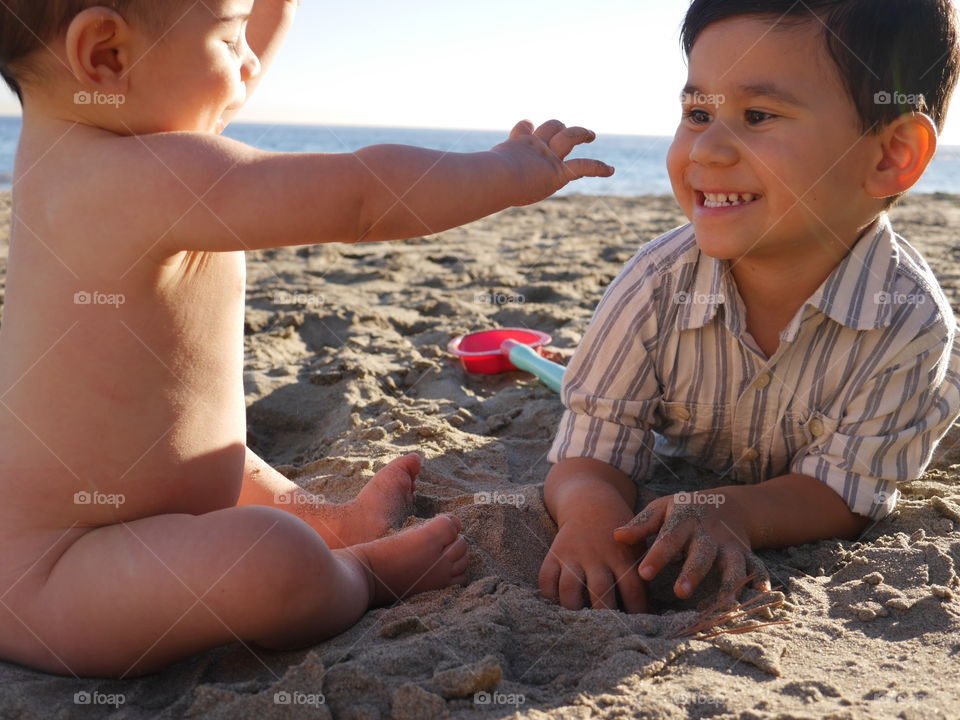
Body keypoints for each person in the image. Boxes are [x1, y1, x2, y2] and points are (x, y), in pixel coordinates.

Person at [0, 0, 614, 677]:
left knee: (229, 458)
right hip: (58, 577)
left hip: (139, 512)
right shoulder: (135, 179)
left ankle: (333, 521)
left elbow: (205, 87)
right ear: (106, 56)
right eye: (231, 36)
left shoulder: (98, 145)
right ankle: (358, 574)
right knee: (270, 560)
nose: (250, 62)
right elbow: (359, 198)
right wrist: (507, 172)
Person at [539, 0, 960, 614]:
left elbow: (844, 489)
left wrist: (738, 510)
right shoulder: (654, 286)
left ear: (892, 154)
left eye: (757, 115)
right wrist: (590, 514)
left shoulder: (909, 325)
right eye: (697, 111)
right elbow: (590, 446)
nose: (707, 149)